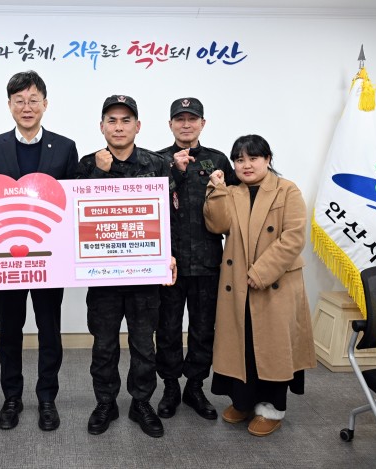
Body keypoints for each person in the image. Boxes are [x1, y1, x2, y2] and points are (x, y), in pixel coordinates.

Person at [0, 70, 78, 431]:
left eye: (33, 100)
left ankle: (47, 398)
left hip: (50, 261)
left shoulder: (65, 147)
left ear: (45, 104)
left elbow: (73, 201)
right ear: (9, 105)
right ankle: (12, 398)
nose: (27, 107)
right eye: (19, 100)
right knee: (10, 332)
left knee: (50, 331)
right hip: (7, 260)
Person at [76, 95, 175, 438]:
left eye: (126, 120)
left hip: (144, 276)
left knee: (143, 345)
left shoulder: (157, 163)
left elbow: (169, 215)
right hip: (103, 277)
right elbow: (74, 214)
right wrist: (98, 174)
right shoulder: (87, 164)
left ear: (138, 126)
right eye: (112, 120)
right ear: (101, 126)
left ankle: (141, 402)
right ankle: (105, 402)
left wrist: (169, 254)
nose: (119, 127)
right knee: (104, 346)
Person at [203, 134, 316, 437]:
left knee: (271, 348)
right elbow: (216, 224)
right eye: (239, 160)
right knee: (243, 345)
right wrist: (216, 188)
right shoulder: (232, 191)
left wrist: (262, 272)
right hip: (238, 284)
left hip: (274, 283)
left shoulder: (286, 190)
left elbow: (293, 237)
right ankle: (243, 402)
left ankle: (272, 408)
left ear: (267, 159)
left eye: (253, 158)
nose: (246, 165)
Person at [155, 98, 236, 421]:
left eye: (192, 119)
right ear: (170, 124)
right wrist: (173, 171)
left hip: (207, 262)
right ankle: (170, 386)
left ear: (203, 123)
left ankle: (195, 386)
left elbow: (233, 204)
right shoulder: (158, 160)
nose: (186, 125)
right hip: (169, 262)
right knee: (168, 328)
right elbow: (147, 201)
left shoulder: (218, 160)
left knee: (204, 329)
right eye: (180, 119)